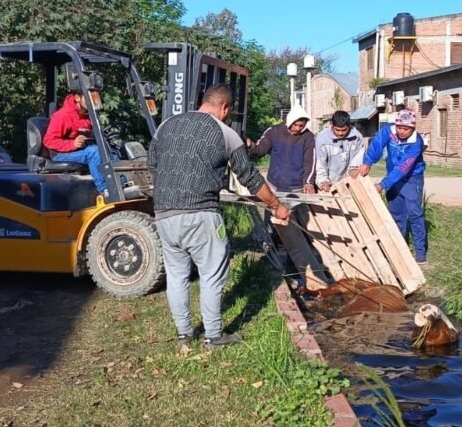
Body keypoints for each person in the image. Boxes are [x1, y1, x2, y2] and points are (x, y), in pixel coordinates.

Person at [149, 85, 291, 349]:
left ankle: (184, 333)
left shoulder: (165, 126)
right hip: (202, 215)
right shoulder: (226, 133)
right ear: (225, 107)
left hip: (164, 215)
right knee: (212, 274)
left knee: (177, 275)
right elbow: (250, 177)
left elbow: (153, 166)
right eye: (229, 111)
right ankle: (213, 336)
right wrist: (276, 206)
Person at [358, 109, 428, 264]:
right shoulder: (387, 132)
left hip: (412, 178)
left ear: (413, 128)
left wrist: (382, 184)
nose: (402, 131)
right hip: (393, 178)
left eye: (406, 129)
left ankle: (420, 253)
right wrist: (368, 162)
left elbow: (403, 167)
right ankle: (399, 249)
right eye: (399, 127)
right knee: (396, 214)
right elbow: (376, 146)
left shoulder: (416, 143)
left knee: (414, 214)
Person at [43, 92, 108, 193]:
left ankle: (122, 184)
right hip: (60, 154)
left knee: (109, 150)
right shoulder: (62, 115)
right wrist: (72, 144)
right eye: (90, 97)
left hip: (80, 150)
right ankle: (105, 190)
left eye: (95, 97)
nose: (93, 101)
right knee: (94, 152)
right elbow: (48, 141)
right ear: (77, 98)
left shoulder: (86, 115)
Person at [247, 106, 316, 193]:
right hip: (273, 185)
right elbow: (260, 149)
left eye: (301, 126)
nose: (298, 128)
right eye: (295, 125)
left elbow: (310, 162)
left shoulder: (308, 137)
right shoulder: (273, 132)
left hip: (297, 188)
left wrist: (308, 182)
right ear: (289, 121)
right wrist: (251, 145)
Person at [314, 110, 366, 191]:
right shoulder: (322, 139)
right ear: (331, 125)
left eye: (344, 130)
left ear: (349, 126)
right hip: (329, 185)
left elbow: (358, 157)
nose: (340, 133)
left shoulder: (357, 137)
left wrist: (354, 169)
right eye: (337, 130)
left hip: (348, 183)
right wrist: (323, 181)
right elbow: (320, 163)